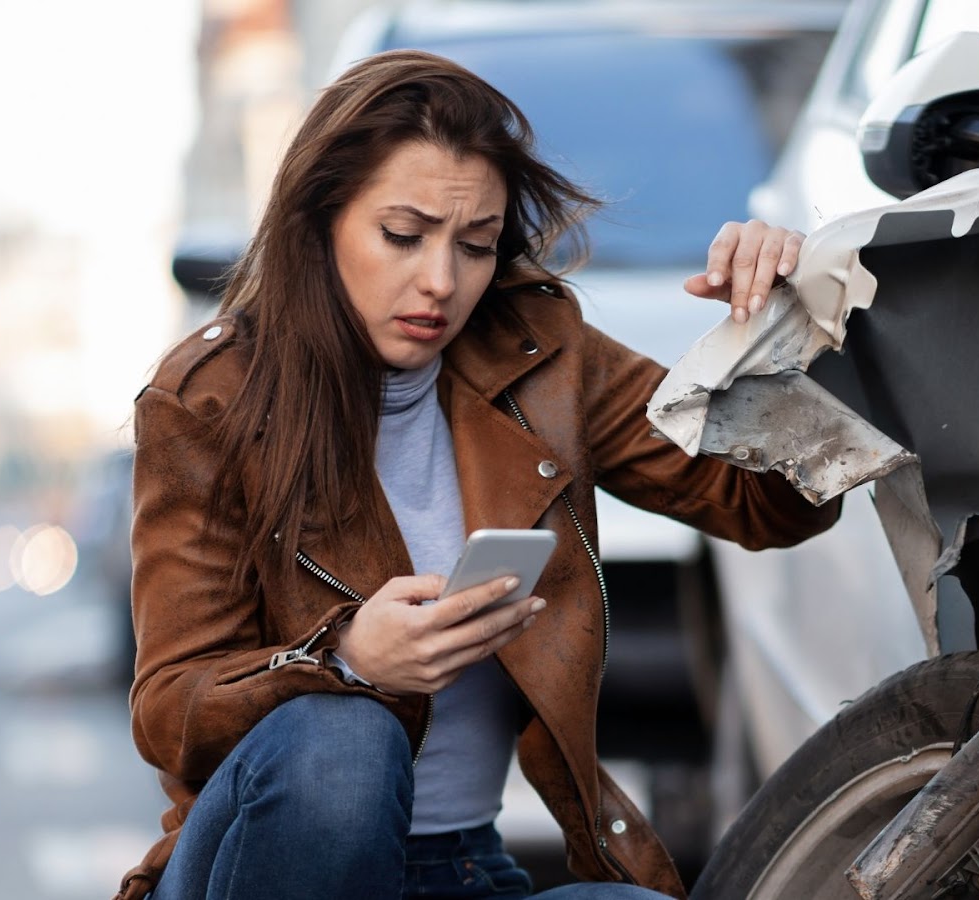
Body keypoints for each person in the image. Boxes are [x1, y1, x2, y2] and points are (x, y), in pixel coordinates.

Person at [116, 50, 840, 900]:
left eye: (476, 245)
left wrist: (778, 330)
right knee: (345, 744)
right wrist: (346, 660)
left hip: (462, 867)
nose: (440, 282)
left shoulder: (538, 355)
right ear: (319, 224)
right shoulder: (208, 399)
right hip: (257, 868)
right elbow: (169, 708)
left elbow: (770, 508)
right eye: (403, 236)